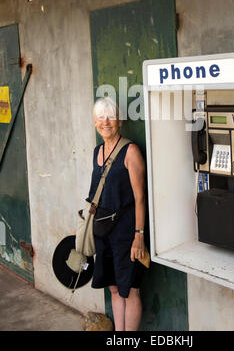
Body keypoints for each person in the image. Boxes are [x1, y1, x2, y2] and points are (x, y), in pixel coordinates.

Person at [88, 96, 146, 331]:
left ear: (119, 120)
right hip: (103, 231)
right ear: (95, 122)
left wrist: (139, 235)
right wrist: (84, 224)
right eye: (101, 118)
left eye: (110, 117)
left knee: (130, 290)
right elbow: (94, 194)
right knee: (113, 287)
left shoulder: (130, 151)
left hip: (126, 232)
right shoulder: (97, 152)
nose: (106, 122)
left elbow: (141, 198)